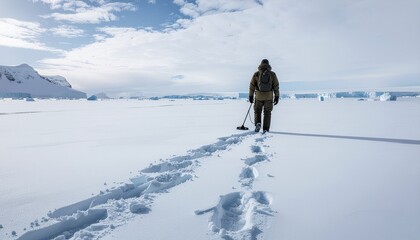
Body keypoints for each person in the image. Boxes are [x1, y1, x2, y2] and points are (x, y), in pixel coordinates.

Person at [249, 59, 280, 133]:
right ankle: (266, 128)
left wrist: (251, 95)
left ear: (261, 64)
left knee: (257, 111)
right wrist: (277, 96)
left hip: (259, 96)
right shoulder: (272, 74)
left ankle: (258, 123)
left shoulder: (256, 74)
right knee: (267, 112)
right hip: (269, 97)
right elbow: (276, 86)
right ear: (268, 65)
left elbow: (252, 86)